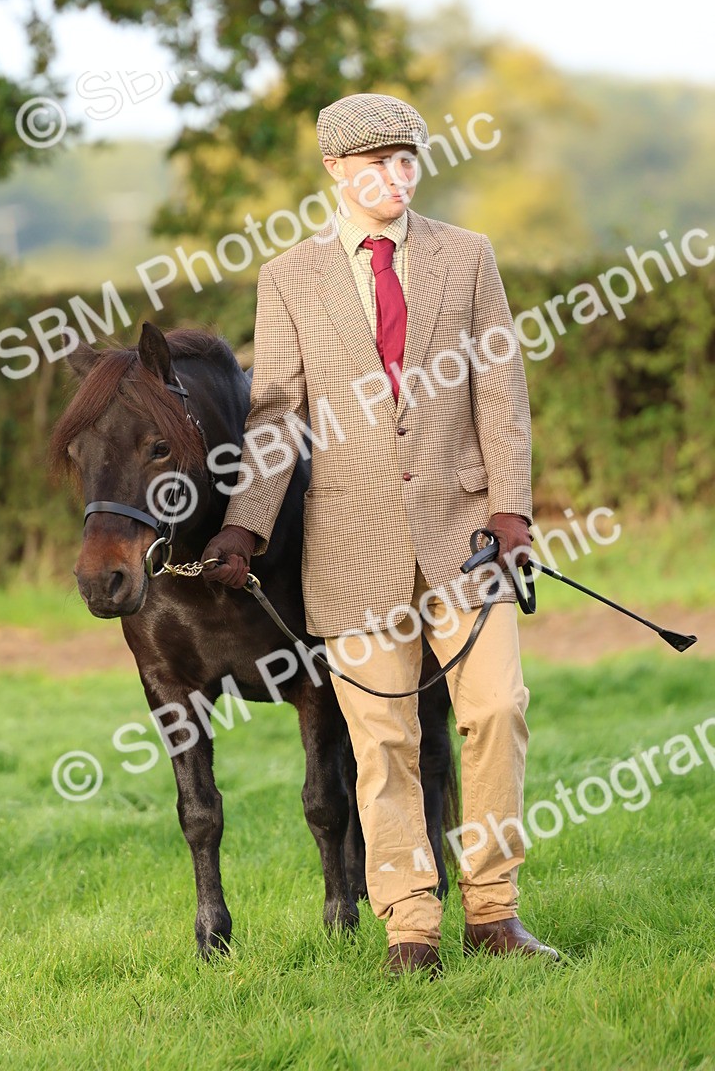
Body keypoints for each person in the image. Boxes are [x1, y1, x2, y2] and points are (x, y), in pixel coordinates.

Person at [201, 92, 560, 975]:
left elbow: (500, 388)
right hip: (350, 547)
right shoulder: (289, 277)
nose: (397, 177)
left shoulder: (467, 256)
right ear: (335, 169)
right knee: (384, 742)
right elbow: (277, 413)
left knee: (497, 708)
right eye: (376, 164)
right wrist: (245, 525)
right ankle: (410, 929)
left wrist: (512, 508)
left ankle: (494, 913)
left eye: (407, 161)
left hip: (467, 537)